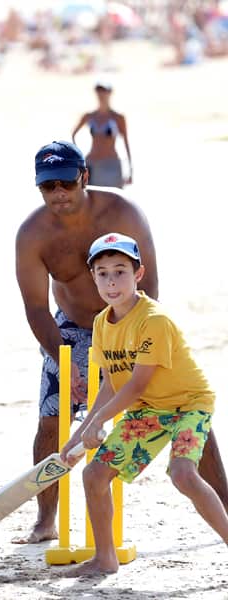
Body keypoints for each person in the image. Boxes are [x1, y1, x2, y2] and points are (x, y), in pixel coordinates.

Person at [14, 140, 228, 544]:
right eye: (48, 187)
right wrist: (65, 362)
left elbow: (151, 283)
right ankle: (46, 518)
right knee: (52, 418)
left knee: (182, 404)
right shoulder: (32, 233)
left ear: (84, 177)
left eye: (66, 183)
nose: (58, 194)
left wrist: (141, 338)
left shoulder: (122, 211)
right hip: (75, 329)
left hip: (136, 321)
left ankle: (226, 503)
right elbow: (35, 308)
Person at [60, 233, 228, 576]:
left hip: (189, 404)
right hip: (149, 409)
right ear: (92, 277)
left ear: (138, 274)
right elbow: (111, 384)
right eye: (103, 272)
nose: (111, 281)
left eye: (120, 271)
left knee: (182, 474)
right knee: (94, 475)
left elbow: (136, 385)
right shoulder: (101, 324)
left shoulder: (154, 320)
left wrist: (98, 424)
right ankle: (106, 558)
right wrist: (82, 430)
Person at [71, 82, 132, 187]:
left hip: (111, 164)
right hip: (92, 163)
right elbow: (73, 135)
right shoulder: (89, 116)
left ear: (110, 93)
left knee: (113, 200)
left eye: (104, 91)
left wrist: (130, 170)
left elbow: (126, 143)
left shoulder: (118, 117)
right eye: (98, 91)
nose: (101, 95)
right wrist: (78, 159)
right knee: (90, 200)